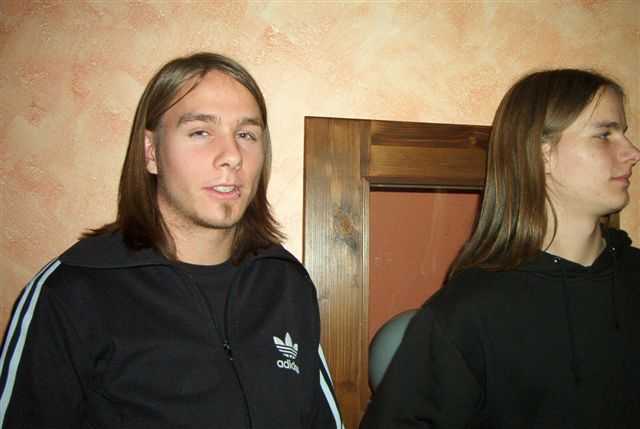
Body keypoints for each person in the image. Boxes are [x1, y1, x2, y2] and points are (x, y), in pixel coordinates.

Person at [0, 52, 343, 429]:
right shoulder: (72, 290)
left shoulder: (286, 284)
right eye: (200, 132)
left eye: (247, 134)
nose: (232, 156)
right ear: (151, 153)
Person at [360, 69, 640, 428]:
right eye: (604, 134)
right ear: (543, 155)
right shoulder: (468, 312)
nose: (632, 152)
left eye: (624, 133)